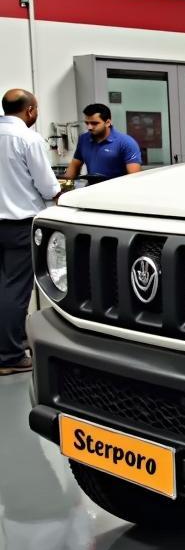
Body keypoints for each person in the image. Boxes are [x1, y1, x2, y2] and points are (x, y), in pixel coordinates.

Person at [0, 89, 60, 376]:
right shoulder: (28, 138)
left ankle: (12, 341)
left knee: (4, 286)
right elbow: (48, 187)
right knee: (15, 288)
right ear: (31, 110)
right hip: (19, 226)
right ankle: (10, 356)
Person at [63, 103, 142, 182]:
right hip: (92, 189)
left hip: (117, 191)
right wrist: (61, 185)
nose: (89, 127)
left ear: (107, 122)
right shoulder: (83, 139)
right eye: (87, 123)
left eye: (94, 123)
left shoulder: (126, 142)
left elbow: (135, 178)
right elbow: (74, 166)